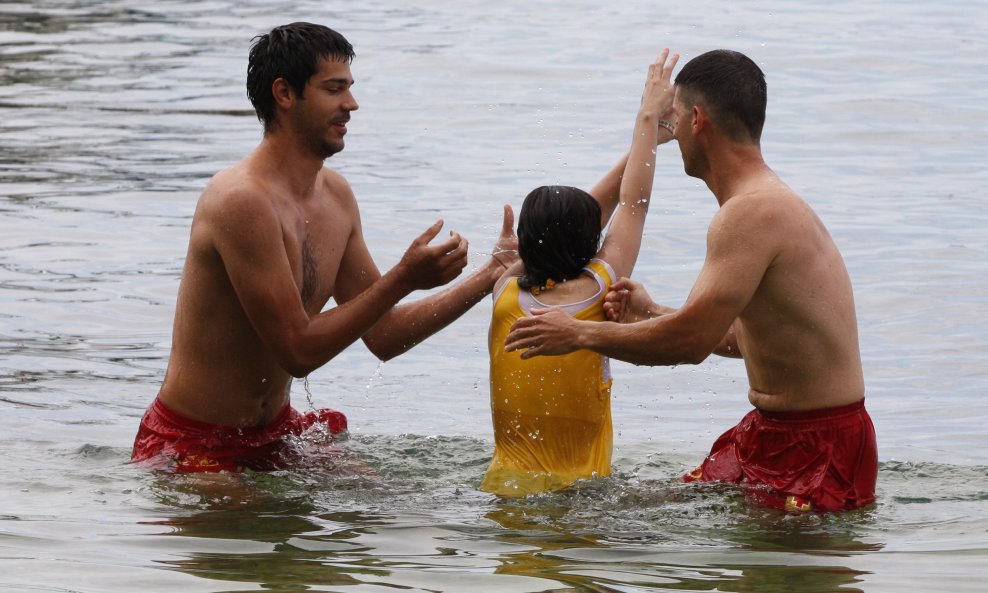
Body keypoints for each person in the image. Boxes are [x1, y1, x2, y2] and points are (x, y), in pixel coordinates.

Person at [131, 22, 517, 473]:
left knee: (382, 500)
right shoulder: (241, 201)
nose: (351, 105)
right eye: (334, 90)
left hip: (274, 434)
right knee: (246, 525)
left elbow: (385, 335)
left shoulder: (335, 197)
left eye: (349, 89)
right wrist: (404, 278)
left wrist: (491, 273)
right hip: (192, 442)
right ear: (284, 94)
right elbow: (297, 351)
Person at [504, 49, 877, 512]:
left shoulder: (751, 212)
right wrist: (654, 312)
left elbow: (690, 345)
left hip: (818, 444)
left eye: (673, 119)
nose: (672, 132)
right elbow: (744, 339)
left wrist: (577, 332)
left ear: (697, 120)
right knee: (630, 508)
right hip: (773, 431)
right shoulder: (757, 205)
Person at [481, 51, 679, 497]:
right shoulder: (599, 289)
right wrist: (648, 122)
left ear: (525, 246)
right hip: (583, 496)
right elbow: (633, 204)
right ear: (590, 242)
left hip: (502, 489)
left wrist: (650, 131)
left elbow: (572, 227)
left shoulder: (503, 291)